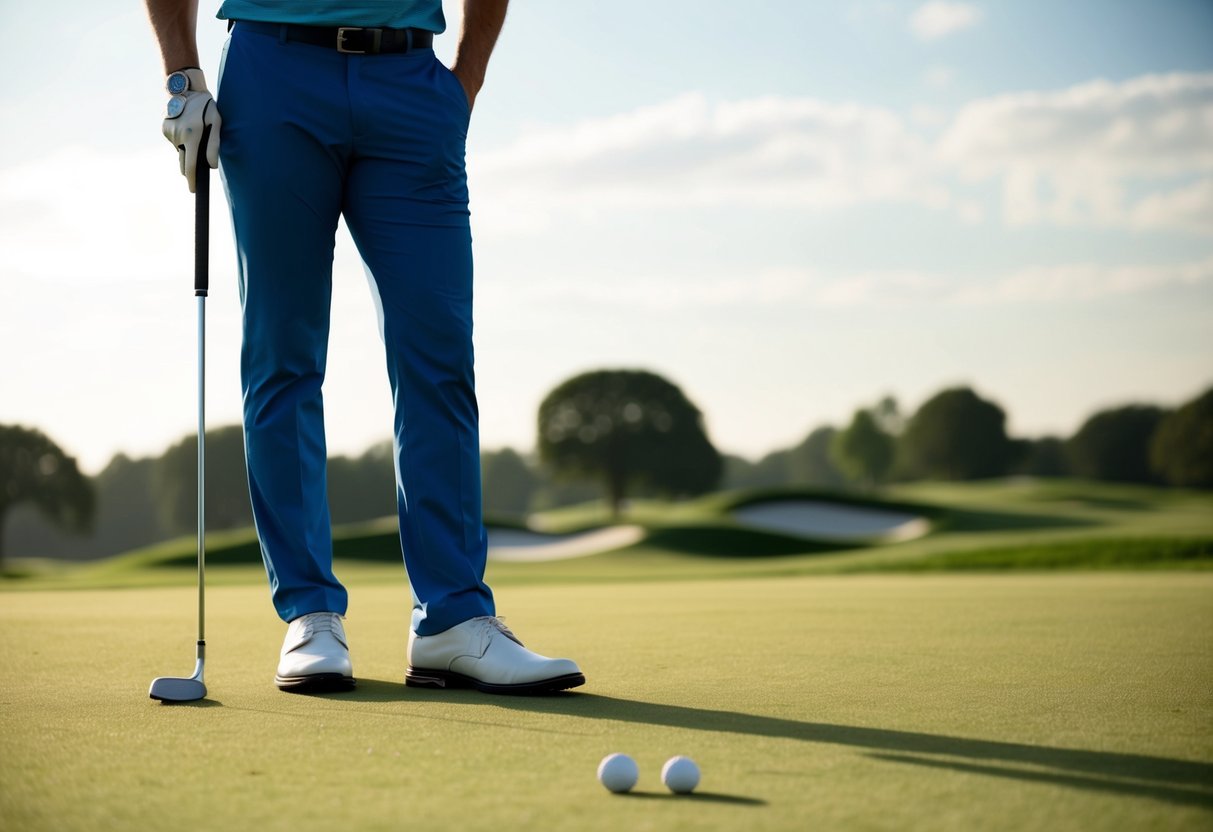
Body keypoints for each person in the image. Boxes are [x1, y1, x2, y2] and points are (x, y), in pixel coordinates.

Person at [144, 0, 584, 695]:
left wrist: (462, 83)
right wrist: (181, 76)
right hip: (273, 70)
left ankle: (452, 622)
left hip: (411, 81)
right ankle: (310, 615)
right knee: (282, 355)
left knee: (438, 357)